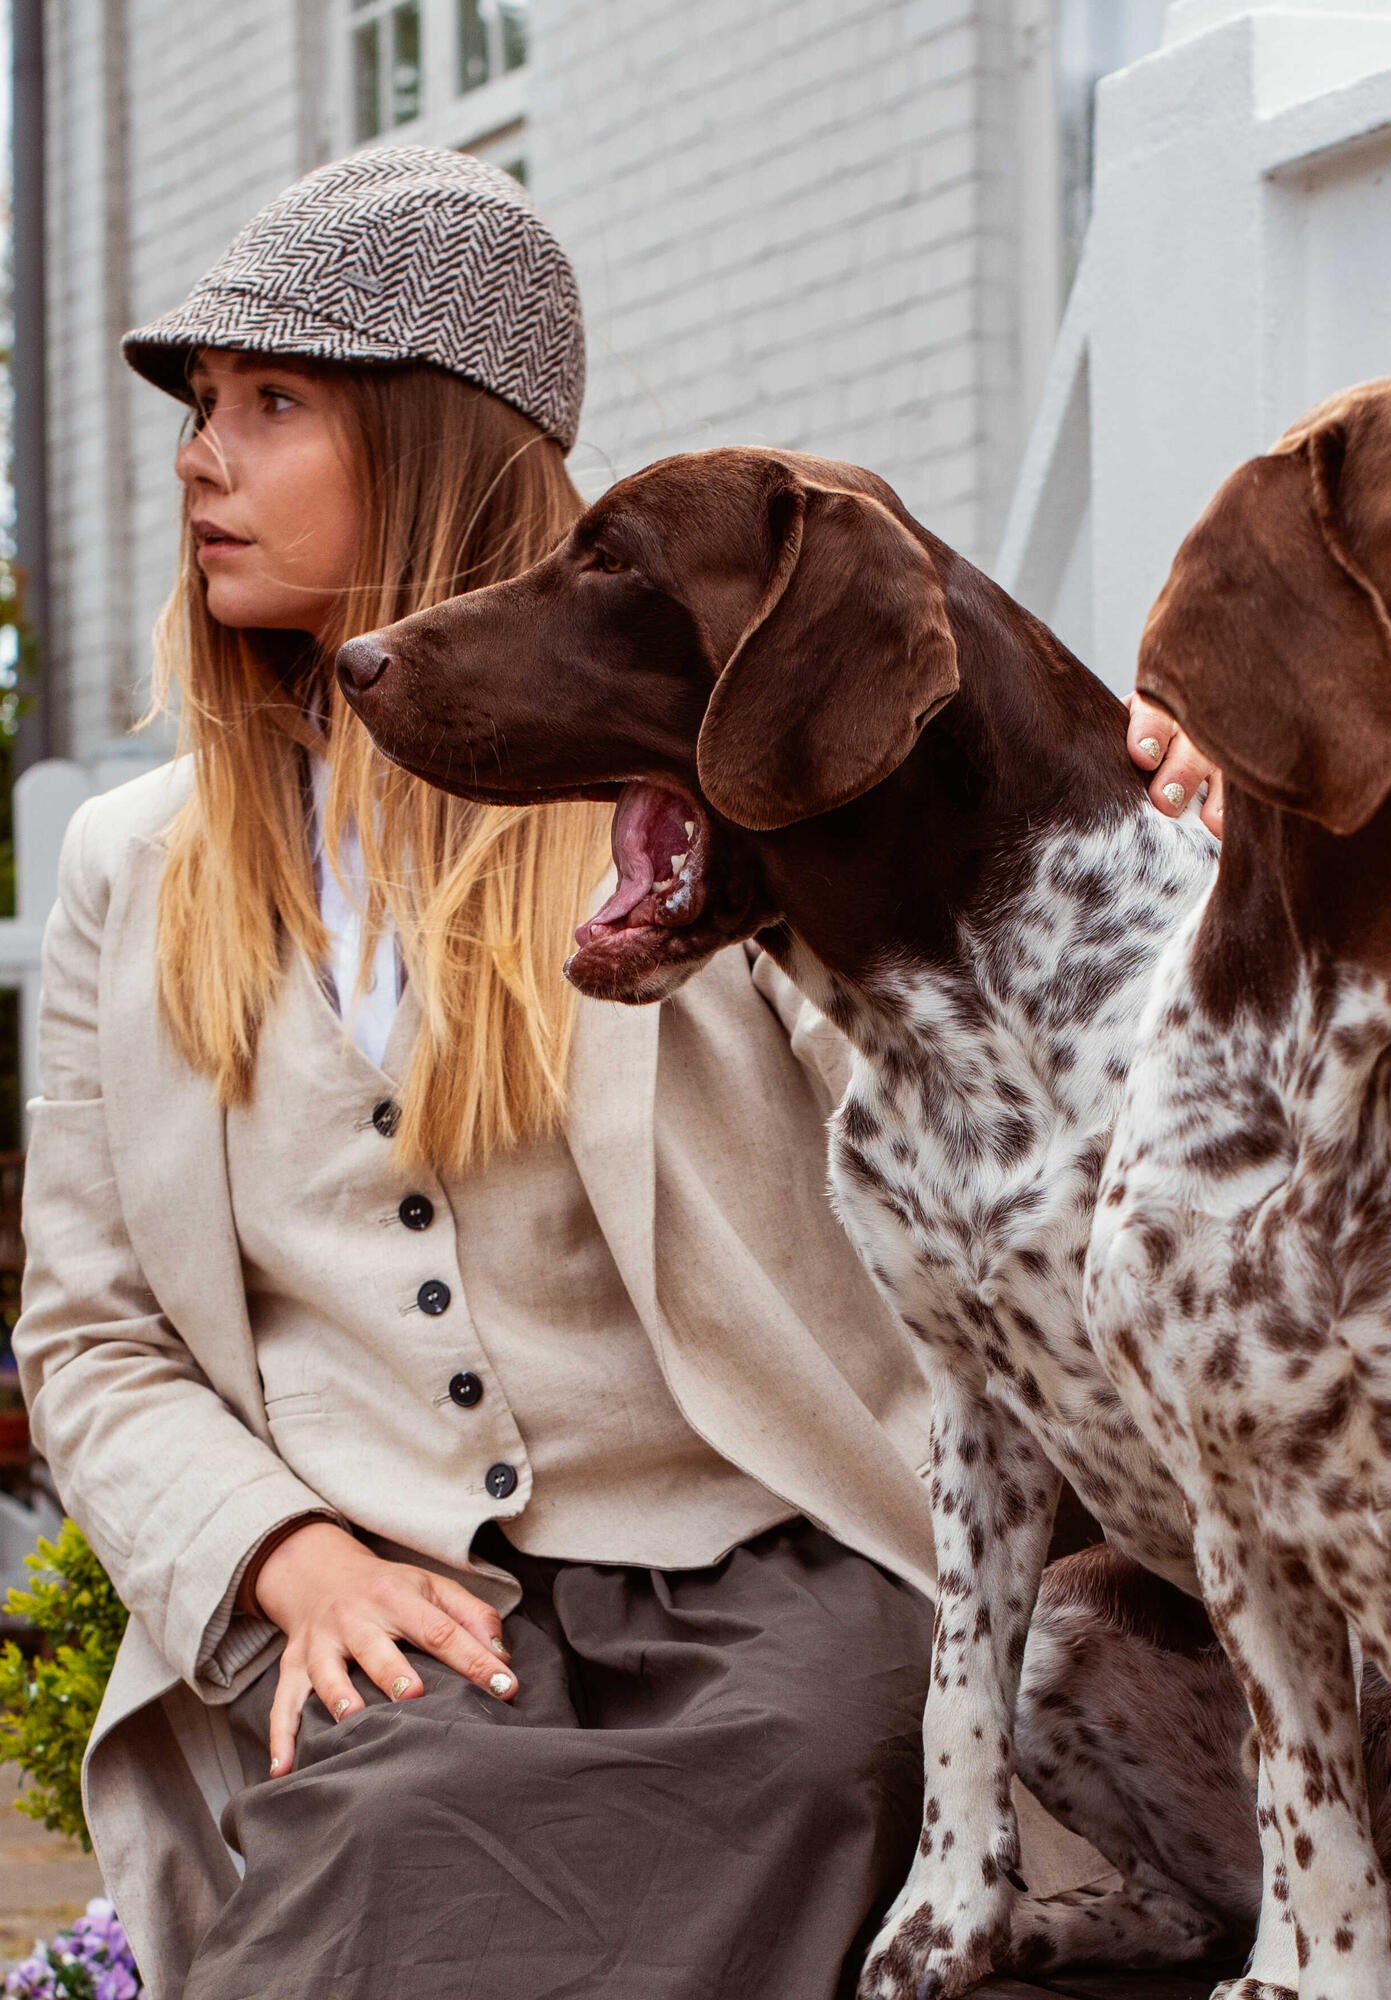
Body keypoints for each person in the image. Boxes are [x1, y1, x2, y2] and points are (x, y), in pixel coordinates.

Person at [15, 144, 1218, 2000]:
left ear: (430, 445)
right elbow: (92, 1334)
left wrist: (1181, 806)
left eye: (272, 405)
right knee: (385, 1823)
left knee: (822, 1754)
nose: (201, 455)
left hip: (767, 1568)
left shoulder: (701, 807)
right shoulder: (130, 867)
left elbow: (1003, 1013)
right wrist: (280, 1558)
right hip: (392, 1589)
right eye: (202, 407)